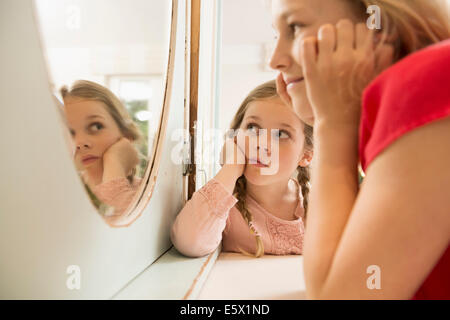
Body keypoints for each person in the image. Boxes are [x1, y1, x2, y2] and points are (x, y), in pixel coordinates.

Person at [269, 0, 450, 299]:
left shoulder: (429, 78)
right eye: (276, 35)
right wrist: (334, 118)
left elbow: (340, 296)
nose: (275, 60)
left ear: (378, 24)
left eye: (296, 27)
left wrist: (333, 125)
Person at [171, 80, 313, 258]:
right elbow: (188, 242)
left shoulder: (316, 205)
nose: (261, 144)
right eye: (253, 128)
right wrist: (232, 166)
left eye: (280, 134)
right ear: (236, 136)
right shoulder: (224, 207)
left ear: (306, 155)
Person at [61, 80, 145, 226]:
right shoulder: (61, 195)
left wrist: (114, 164)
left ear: (126, 134)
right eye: (70, 132)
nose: (80, 142)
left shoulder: (146, 194)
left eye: (96, 126)